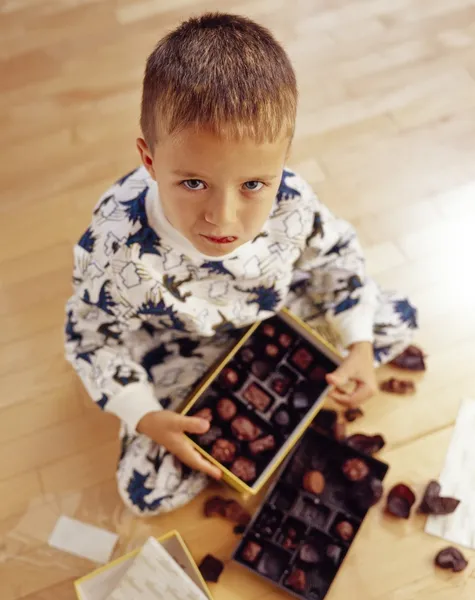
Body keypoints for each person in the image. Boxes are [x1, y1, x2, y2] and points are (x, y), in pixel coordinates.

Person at [64, 13, 418, 516]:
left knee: (391, 322)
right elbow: (91, 336)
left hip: (271, 309)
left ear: (282, 163)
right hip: (178, 341)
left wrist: (358, 345)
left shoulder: (293, 201)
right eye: (193, 183)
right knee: (145, 493)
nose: (222, 218)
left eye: (254, 184)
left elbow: (335, 258)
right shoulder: (113, 245)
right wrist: (144, 416)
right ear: (149, 159)